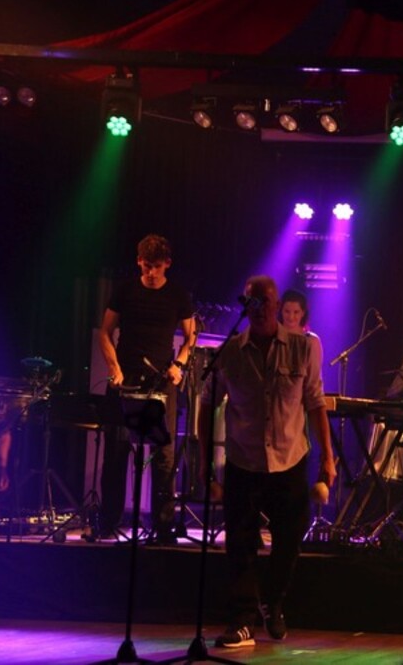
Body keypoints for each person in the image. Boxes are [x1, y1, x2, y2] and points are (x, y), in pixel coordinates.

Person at [202, 275, 336, 648]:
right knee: (240, 544)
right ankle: (242, 620)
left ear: (277, 306)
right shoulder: (230, 351)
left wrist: (328, 458)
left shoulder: (303, 347)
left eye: (265, 302)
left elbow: (315, 402)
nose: (259, 309)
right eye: (252, 302)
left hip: (289, 459)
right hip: (244, 460)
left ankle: (273, 602)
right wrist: (205, 465)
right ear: (245, 306)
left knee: (288, 541)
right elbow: (206, 405)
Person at [97, 234, 196, 544]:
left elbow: (191, 337)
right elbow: (105, 332)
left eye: (156, 266)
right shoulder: (125, 290)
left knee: (163, 455)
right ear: (139, 261)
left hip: (161, 380)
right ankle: (108, 521)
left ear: (167, 264)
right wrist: (114, 367)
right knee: (116, 450)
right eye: (146, 266)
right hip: (125, 377)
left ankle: (163, 528)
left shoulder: (178, 295)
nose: (151, 272)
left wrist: (179, 365)